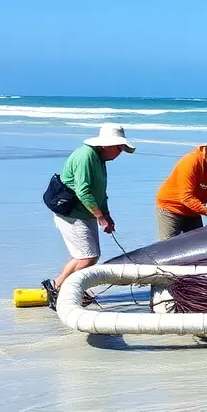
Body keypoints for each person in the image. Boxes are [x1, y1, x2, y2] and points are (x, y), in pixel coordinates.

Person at [43, 123, 136, 307]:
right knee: (89, 256)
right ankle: (61, 288)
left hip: (87, 213)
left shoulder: (100, 159)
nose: (120, 153)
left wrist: (107, 214)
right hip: (71, 214)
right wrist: (100, 218)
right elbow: (83, 191)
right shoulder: (86, 156)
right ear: (107, 144)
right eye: (119, 148)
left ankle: (58, 285)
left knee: (85, 256)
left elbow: (101, 191)